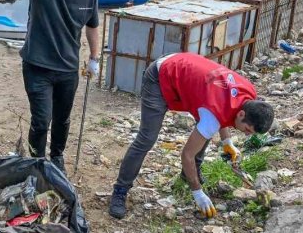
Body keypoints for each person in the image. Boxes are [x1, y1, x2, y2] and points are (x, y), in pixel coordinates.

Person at [108, 53, 274, 219]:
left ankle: (188, 175)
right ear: (242, 114)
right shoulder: (213, 116)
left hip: (188, 75)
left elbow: (225, 114)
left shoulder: (248, 94)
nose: (245, 134)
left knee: (205, 132)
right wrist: (197, 192)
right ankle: (120, 191)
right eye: (247, 130)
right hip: (161, 75)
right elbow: (187, 154)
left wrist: (227, 141)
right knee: (146, 139)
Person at [20, 0, 100, 175]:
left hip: (68, 68)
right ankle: (37, 161)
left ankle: (56, 156)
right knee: (41, 120)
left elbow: (92, 26)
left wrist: (94, 58)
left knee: (63, 119)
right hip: (37, 66)